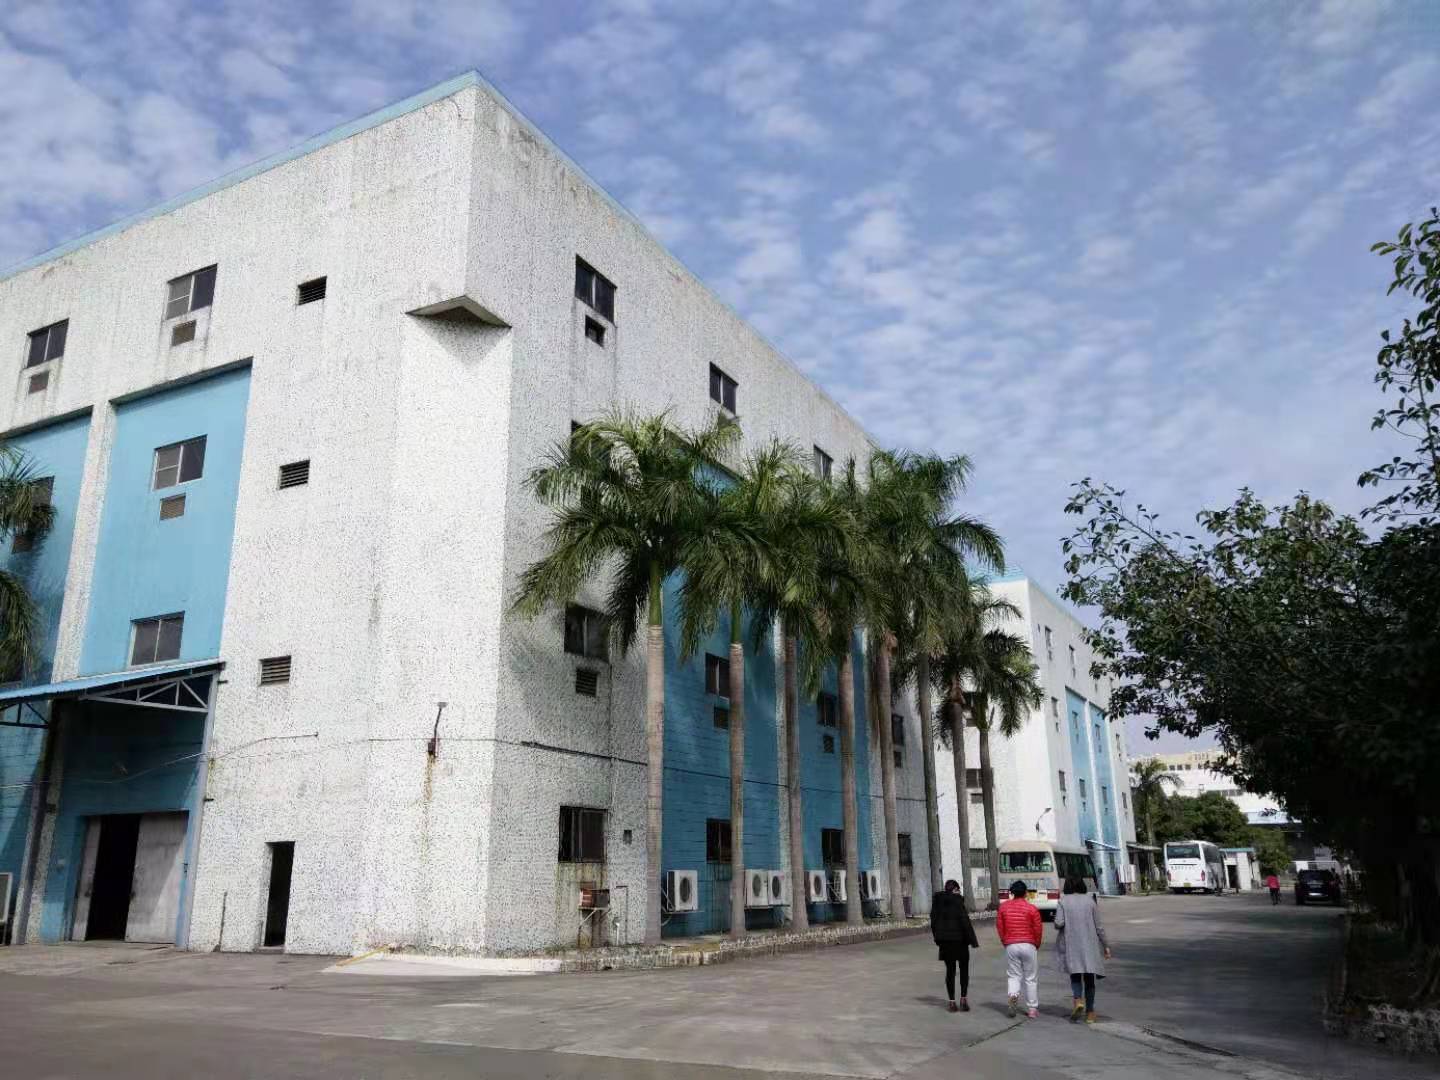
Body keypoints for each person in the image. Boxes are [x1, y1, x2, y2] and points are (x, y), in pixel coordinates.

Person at [1054, 876, 1112, 1024]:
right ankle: (1090, 1013)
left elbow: (1059, 923)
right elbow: (1099, 927)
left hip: (1071, 945)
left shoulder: (1063, 901)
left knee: (1075, 975)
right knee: (1089, 978)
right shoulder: (1090, 901)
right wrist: (1106, 945)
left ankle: (1078, 1001)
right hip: (1089, 946)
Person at [930, 879, 980, 1012]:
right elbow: (965, 922)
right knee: (964, 970)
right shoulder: (958, 901)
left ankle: (952, 1002)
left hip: (945, 943)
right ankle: (963, 999)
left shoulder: (938, 902)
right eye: (958, 890)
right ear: (955, 890)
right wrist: (973, 941)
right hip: (960, 941)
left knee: (950, 971)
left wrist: (938, 939)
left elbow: (933, 922)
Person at [996, 879, 1043, 1018]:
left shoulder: (1003, 907)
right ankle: (1032, 1009)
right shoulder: (1032, 908)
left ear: (1012, 893)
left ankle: (1013, 995)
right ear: (1025, 893)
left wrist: (1005, 941)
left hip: (1011, 945)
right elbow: (1038, 928)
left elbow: (1000, 926)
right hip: (1029, 944)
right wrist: (1036, 944)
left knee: (1013, 975)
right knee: (1031, 978)